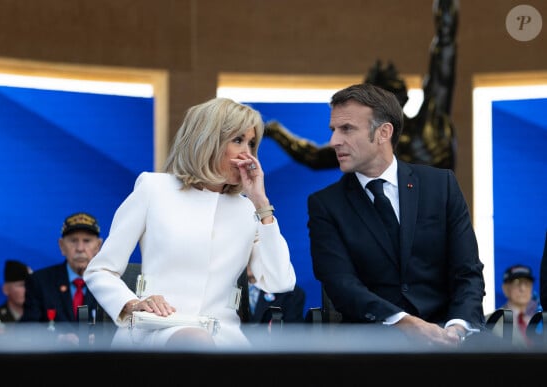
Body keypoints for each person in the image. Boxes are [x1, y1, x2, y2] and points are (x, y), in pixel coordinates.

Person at [84, 97, 297, 350]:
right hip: (155, 330)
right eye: (238, 140)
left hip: (224, 338)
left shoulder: (247, 209)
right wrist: (131, 305)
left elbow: (280, 282)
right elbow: (100, 270)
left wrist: (262, 203)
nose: (247, 154)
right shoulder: (154, 189)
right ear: (207, 140)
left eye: (252, 143)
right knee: (195, 342)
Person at [307, 82, 485, 348]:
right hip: (372, 347)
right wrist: (405, 323)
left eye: (346, 129)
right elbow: (340, 284)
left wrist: (457, 328)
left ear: (383, 132)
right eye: (333, 130)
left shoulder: (442, 185)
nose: (334, 141)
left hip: (449, 341)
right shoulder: (325, 204)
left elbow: (467, 272)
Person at [263, 0, 458, 171]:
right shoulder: (366, 142)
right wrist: (276, 132)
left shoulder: (428, 123)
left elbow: (445, 43)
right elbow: (315, 157)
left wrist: (276, 132)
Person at [20, 212, 104, 343]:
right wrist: (57, 339)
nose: (80, 248)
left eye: (87, 241)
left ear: (98, 246)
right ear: (62, 246)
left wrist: (102, 339)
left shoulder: (111, 284)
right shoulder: (40, 281)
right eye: (73, 241)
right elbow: (26, 330)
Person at [495, 264, 539, 347]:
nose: (523, 288)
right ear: (505, 288)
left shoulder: (540, 320)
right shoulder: (493, 321)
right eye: (516, 283)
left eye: (527, 283)